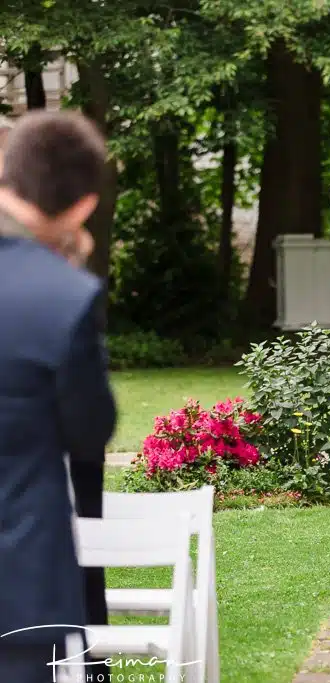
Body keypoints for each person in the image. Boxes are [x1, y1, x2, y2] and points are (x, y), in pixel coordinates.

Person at [0, 111, 117, 682]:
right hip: (17, 579)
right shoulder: (65, 295)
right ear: (82, 207)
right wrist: (69, 267)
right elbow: (89, 430)